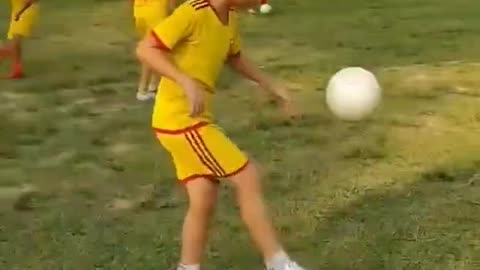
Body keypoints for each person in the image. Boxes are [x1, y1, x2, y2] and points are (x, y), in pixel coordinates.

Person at [136, 0, 307, 269]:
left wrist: (272, 87)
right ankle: (278, 263)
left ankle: (187, 267)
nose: (261, 3)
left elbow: (234, 56)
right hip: (182, 121)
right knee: (247, 176)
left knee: (203, 195)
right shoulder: (193, 12)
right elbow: (146, 49)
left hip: (186, 121)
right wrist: (184, 80)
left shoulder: (229, 17)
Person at [132, 0, 176, 101]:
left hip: (140, 11)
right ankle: (143, 89)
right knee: (155, 50)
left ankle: (153, 86)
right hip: (157, 12)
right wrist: (172, 12)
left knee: (155, 48)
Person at [0, 0, 39, 79]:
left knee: (16, 41)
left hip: (24, 12)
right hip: (18, 12)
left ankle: (16, 69)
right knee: (15, 42)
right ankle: (17, 69)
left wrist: (20, 12)